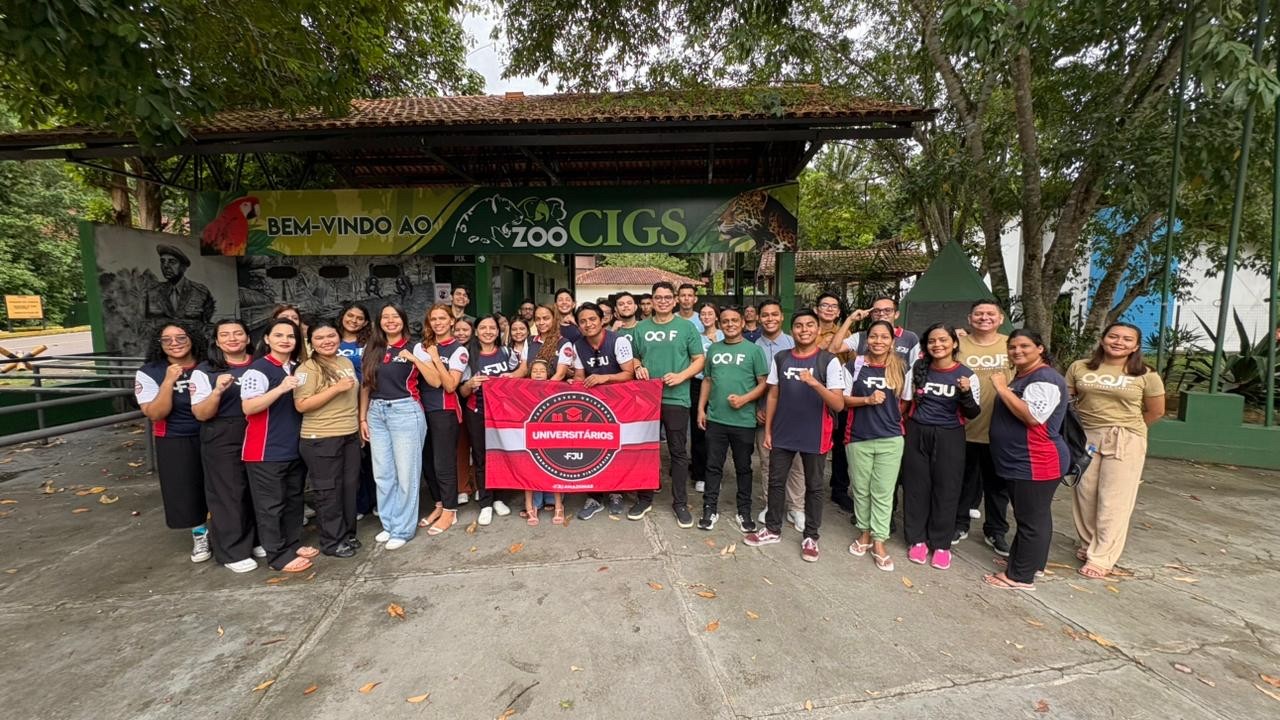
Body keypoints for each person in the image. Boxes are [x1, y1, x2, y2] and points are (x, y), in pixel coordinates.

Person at [744, 310, 845, 562]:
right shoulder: (781, 358)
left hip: (815, 433)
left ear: (818, 330)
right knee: (776, 482)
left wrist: (815, 384)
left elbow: (839, 403)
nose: (804, 330)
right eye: (799, 326)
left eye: (810, 325)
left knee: (814, 486)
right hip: (783, 432)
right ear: (793, 330)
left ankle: (811, 536)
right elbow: (774, 395)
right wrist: (768, 430)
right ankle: (772, 528)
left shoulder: (828, 361)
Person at [1067, 322, 1165, 579]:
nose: (1119, 342)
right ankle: (1089, 543)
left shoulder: (1146, 374)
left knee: (1114, 499)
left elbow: (1156, 411)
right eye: (1113, 336)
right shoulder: (1080, 367)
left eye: (1126, 339)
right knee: (1085, 492)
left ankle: (1103, 557)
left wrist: (1130, 432)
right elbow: (1067, 398)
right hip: (1087, 435)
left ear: (1136, 346)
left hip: (1125, 437)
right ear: (1103, 339)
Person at [983, 329, 1069, 592]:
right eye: (1013, 347)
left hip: (1036, 459)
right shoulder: (1026, 375)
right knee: (1036, 516)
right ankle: (1031, 563)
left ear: (1040, 348)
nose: (1017, 351)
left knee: (1031, 519)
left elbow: (1033, 416)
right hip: (1021, 459)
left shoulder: (1045, 377)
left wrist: (1000, 387)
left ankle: (1020, 576)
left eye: (1025, 346)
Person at [240, 319, 318, 572]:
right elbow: (249, 407)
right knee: (270, 505)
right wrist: (281, 389)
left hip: (293, 446)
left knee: (293, 499)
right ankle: (277, 555)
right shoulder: (258, 370)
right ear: (267, 339)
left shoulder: (298, 367)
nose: (285, 340)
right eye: (279, 335)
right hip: (265, 449)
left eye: (291, 336)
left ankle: (292, 542)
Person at [901, 324, 981, 571]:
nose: (938, 345)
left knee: (946, 489)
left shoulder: (966, 375)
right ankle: (917, 540)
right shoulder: (917, 370)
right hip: (918, 432)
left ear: (954, 343)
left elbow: (973, 412)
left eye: (943, 340)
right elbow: (905, 402)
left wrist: (966, 392)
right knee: (916, 487)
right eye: (932, 341)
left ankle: (942, 544)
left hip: (950, 436)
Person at [360, 303, 438, 550]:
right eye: (385, 317)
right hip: (376, 412)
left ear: (403, 320)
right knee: (383, 474)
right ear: (379, 322)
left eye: (395, 316)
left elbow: (436, 381)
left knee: (406, 474)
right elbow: (366, 385)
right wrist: (362, 418)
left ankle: (403, 529)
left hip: (405, 412)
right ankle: (390, 523)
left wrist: (414, 358)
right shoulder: (371, 348)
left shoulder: (415, 347)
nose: (390, 320)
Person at [135, 321, 211, 563]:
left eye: (180, 337)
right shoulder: (150, 372)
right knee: (185, 489)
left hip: (213, 433)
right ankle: (200, 534)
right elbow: (155, 413)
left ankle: (230, 529)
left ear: (193, 338)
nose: (174, 343)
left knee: (223, 485)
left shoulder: (209, 364)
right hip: (175, 437)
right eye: (167, 339)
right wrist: (168, 380)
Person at [631, 281, 705, 526]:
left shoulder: (686, 328)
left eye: (666, 297)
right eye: (657, 297)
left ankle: (680, 503)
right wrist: (639, 367)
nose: (662, 301)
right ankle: (645, 497)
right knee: (645, 450)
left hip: (677, 397)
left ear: (674, 301)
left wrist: (682, 376)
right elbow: (634, 357)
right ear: (651, 301)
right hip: (647, 399)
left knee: (678, 452)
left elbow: (699, 360)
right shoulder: (641, 328)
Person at [191, 319, 261, 572]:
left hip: (256, 429)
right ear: (217, 341)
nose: (232, 338)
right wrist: (217, 392)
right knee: (228, 492)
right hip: (222, 433)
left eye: (238, 333)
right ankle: (233, 551)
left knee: (256, 488)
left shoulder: (260, 364)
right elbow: (200, 413)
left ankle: (256, 539)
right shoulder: (205, 371)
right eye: (225, 335)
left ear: (247, 338)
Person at [844, 320, 912, 571]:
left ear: (892, 342)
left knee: (883, 491)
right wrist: (867, 400)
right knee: (861, 489)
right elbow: (842, 400)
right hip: (858, 436)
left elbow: (904, 403)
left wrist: (888, 417)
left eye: (884, 337)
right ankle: (864, 532)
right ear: (866, 340)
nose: (878, 341)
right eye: (873, 336)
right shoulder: (854, 365)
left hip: (891, 438)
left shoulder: (901, 368)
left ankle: (879, 541)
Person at [696, 305, 768, 532]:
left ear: (743, 323)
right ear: (719, 322)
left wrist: (745, 399)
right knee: (713, 466)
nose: (730, 324)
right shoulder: (714, 350)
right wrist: (701, 409)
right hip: (716, 419)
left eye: (734, 320)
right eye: (725, 320)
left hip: (744, 421)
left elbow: (764, 383)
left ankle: (744, 511)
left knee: (743, 468)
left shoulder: (754, 350)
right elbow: (707, 380)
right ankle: (710, 508)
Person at [294, 321, 362, 559]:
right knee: (328, 492)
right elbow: (301, 405)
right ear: (311, 342)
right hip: (321, 438)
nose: (327, 341)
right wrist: (335, 389)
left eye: (331, 336)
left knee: (348, 487)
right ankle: (332, 542)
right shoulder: (307, 369)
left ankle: (347, 534)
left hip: (348, 434)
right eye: (319, 338)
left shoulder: (344, 362)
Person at [568, 303, 638, 521]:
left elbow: (628, 373)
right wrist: (575, 381)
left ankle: (616, 492)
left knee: (617, 447)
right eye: (583, 321)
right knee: (594, 448)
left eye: (592, 319)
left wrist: (605, 377)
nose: (588, 324)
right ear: (578, 325)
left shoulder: (619, 341)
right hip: (594, 406)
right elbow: (580, 374)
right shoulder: (578, 345)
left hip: (620, 403)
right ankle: (595, 496)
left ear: (602, 320)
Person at [954, 300, 1013, 553]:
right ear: (970, 318)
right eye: (979, 313)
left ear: (1000, 319)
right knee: (964, 481)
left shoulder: (1011, 344)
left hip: (1003, 427)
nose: (984, 318)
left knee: (998, 486)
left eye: (990, 314)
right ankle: (960, 524)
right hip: (965, 426)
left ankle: (996, 531)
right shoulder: (958, 344)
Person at [459, 315, 520, 526]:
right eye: (483, 328)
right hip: (477, 412)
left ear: (499, 331)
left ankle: (500, 499)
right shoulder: (467, 355)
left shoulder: (506, 352)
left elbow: (523, 369)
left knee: (502, 454)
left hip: (503, 414)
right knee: (481, 457)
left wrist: (512, 377)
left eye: (492, 328)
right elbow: (462, 390)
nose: (487, 331)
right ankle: (485, 502)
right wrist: (471, 384)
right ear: (476, 332)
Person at [415, 303, 470, 534]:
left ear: (451, 321)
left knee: (443, 463)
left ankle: (450, 510)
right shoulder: (421, 347)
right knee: (427, 461)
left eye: (441, 318)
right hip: (419, 409)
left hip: (444, 410)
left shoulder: (459, 350)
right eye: (433, 319)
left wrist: (436, 358)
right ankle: (438, 504)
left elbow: (449, 385)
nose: (437, 323)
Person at [753, 299, 807, 532]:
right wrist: (756, 408)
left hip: (793, 416)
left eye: (774, 314)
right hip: (764, 414)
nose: (770, 319)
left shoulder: (795, 344)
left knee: (797, 464)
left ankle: (797, 507)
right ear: (758, 318)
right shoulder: (753, 347)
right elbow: (751, 381)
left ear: (782, 317)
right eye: (765, 315)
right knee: (768, 462)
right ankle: (770, 504)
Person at [814, 292, 856, 514]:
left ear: (839, 312)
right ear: (816, 309)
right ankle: (809, 487)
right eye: (824, 305)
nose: (829, 309)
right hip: (810, 393)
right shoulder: (807, 327)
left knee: (840, 443)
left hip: (836, 394)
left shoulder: (845, 334)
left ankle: (839, 489)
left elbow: (851, 362)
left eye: (833, 307)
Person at [336, 302, 376, 517]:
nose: (354, 320)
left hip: (368, 403)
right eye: (350, 315)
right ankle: (359, 504)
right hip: (340, 405)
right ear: (343, 316)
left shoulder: (370, 343)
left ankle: (376, 500)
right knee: (351, 460)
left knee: (371, 456)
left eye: (359, 318)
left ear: (366, 322)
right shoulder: (332, 340)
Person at [522, 358, 564, 523]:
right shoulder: (522, 390)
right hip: (530, 434)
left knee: (555, 466)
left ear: (549, 374)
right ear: (529, 374)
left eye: (542, 371)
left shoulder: (556, 389)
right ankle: (529, 505)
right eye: (535, 371)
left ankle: (559, 505)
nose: (538, 373)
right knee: (528, 468)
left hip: (551, 435)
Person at [690, 301, 723, 493]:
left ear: (716, 316)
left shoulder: (724, 335)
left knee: (717, 432)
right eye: (703, 314)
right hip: (697, 385)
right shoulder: (696, 337)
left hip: (720, 386)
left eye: (710, 313)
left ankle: (715, 472)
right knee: (699, 430)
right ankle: (699, 474)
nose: (706, 317)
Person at [145, 244, 215, 325]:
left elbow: (206, 324)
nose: (166, 266)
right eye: (162, 261)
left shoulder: (200, 292)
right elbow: (147, 326)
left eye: (172, 262)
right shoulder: (152, 293)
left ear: (183, 267)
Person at [532, 304, 573, 381]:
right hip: (529, 389)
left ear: (554, 319)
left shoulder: (564, 343)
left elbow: (560, 375)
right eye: (537, 319)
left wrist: (543, 389)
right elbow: (523, 369)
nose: (541, 322)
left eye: (546, 318)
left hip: (553, 390)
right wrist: (510, 376)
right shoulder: (529, 341)